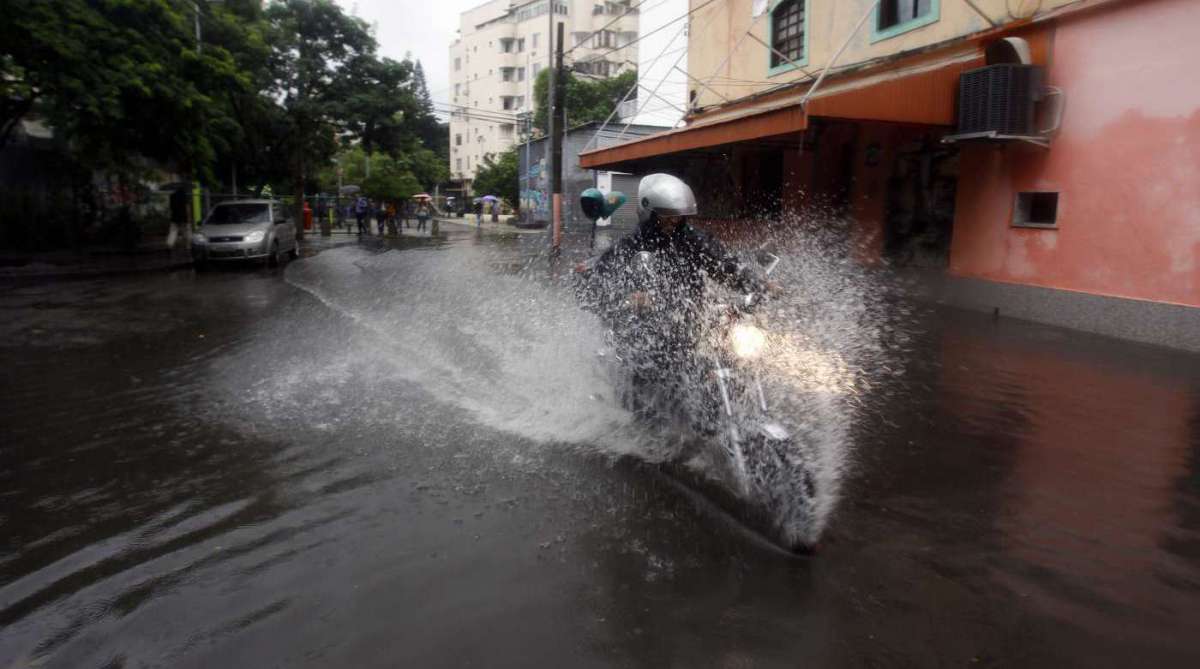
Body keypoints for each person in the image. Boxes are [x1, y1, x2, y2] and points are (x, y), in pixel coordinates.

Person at [578, 174, 768, 416]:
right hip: (646, 330)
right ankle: (650, 420)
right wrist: (629, 297)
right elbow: (600, 282)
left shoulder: (695, 241)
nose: (673, 221)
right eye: (666, 215)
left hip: (689, 323)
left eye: (677, 216)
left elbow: (724, 265)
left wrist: (758, 284)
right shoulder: (630, 246)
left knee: (725, 358)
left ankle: (717, 411)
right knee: (648, 399)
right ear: (650, 213)